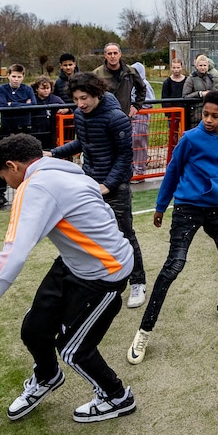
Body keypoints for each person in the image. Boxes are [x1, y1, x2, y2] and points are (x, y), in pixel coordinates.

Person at [0, 133, 137, 424]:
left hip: (104, 274)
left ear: (12, 166)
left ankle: (117, 397)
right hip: (73, 263)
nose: (6, 182)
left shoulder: (35, 186)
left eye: (2, 175)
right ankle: (47, 376)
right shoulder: (66, 170)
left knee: (74, 350)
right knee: (34, 329)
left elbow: (11, 258)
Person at [126, 90, 218, 365]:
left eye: (215, 116)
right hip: (187, 208)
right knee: (174, 266)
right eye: (205, 114)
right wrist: (161, 206)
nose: (208, 119)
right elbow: (173, 170)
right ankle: (144, 332)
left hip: (217, 209)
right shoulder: (190, 139)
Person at [49, 72, 149, 309]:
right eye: (76, 99)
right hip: (90, 183)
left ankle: (138, 282)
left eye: (84, 98)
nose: (80, 104)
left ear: (97, 93)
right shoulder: (80, 114)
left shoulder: (116, 118)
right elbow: (82, 143)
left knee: (125, 233)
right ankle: (97, 278)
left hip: (115, 186)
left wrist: (108, 185)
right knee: (90, 233)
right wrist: (53, 153)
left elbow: (125, 156)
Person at [0, 64, 35, 208]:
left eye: (19, 77)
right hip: (7, 128)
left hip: (24, 129)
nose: (16, 79)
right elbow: (2, 106)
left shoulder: (28, 89)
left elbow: (34, 105)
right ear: (8, 76)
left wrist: (12, 104)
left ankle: (27, 193)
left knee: (27, 161)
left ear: (23, 77)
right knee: (3, 160)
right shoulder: (2, 89)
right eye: (13, 76)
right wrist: (23, 104)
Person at [93, 43, 148, 118]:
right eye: (109, 53)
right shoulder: (96, 74)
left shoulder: (130, 71)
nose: (113, 56)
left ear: (120, 54)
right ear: (105, 55)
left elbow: (142, 88)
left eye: (115, 53)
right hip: (103, 118)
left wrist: (136, 106)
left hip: (124, 116)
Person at [130, 62, 155, 178]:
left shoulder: (144, 84)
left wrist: (136, 108)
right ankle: (131, 168)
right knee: (131, 142)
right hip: (131, 118)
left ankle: (140, 170)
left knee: (139, 142)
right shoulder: (130, 84)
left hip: (141, 117)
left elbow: (149, 102)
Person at [30, 75, 67, 151]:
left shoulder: (55, 99)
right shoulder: (32, 99)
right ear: (36, 89)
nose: (46, 90)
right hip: (34, 131)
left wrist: (66, 110)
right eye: (43, 88)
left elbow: (66, 107)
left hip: (51, 132)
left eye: (48, 88)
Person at [184, 54, 218, 126]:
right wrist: (199, 94)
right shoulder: (191, 78)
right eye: (200, 65)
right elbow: (185, 96)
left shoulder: (211, 78)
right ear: (196, 66)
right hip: (195, 112)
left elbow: (214, 91)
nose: (203, 67)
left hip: (209, 111)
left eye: (205, 65)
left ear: (208, 66)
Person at [162, 59, 188, 150]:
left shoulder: (187, 80)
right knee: (173, 134)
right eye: (174, 67)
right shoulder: (167, 82)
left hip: (185, 111)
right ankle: (174, 152)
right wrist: (168, 113)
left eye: (178, 67)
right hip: (172, 113)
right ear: (171, 68)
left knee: (187, 132)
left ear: (182, 67)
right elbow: (164, 99)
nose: (176, 70)